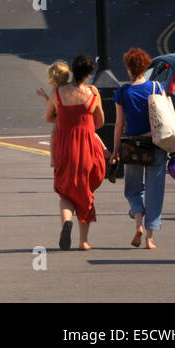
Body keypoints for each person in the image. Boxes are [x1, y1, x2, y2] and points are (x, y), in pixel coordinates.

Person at [43, 56, 108, 251]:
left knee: (65, 190)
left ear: (72, 69)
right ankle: (84, 241)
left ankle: (66, 221)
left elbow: (48, 117)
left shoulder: (58, 93)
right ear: (89, 73)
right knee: (84, 189)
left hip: (64, 147)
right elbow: (100, 122)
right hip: (87, 147)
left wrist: (64, 119)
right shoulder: (92, 93)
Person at [112, 47, 167, 250]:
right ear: (146, 67)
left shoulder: (123, 92)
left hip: (132, 146)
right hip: (156, 145)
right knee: (155, 192)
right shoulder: (157, 88)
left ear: (128, 68)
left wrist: (115, 151)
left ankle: (138, 224)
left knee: (133, 190)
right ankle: (150, 239)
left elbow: (119, 124)